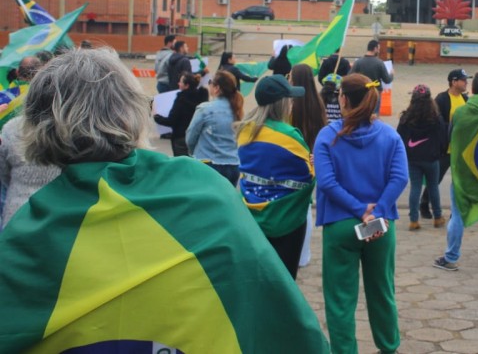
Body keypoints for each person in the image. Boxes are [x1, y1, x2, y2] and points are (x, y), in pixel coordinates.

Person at [0, 48, 329, 353]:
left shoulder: (20, 242)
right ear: (131, 114)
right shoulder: (204, 192)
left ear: (40, 125)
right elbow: (279, 313)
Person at [313, 73, 408, 354]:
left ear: (343, 98)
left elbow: (327, 182)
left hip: (340, 224)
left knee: (340, 298)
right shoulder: (390, 135)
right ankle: (388, 347)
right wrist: (375, 212)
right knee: (382, 291)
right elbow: (399, 177)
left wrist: (358, 210)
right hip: (379, 226)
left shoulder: (328, 135)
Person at [237, 75, 314, 280]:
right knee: (285, 280)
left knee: (260, 277)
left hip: (253, 216)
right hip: (288, 219)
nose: (292, 104)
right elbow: (308, 175)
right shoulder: (289, 135)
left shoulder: (245, 131)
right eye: (289, 99)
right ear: (281, 103)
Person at [433, 71, 478, 271]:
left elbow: (451, 137)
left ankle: (451, 257)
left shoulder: (462, 112)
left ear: (473, 90)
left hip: (463, 171)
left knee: (457, 213)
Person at [0, 58, 60, 228]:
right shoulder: (75, 130)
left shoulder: (6, 101)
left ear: (18, 72)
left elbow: (4, 179)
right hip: (55, 223)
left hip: (14, 222)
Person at [289, 63, 328, 269]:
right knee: (306, 207)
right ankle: (304, 255)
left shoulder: (290, 105)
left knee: (296, 207)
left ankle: (296, 254)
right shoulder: (317, 103)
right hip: (313, 159)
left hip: (293, 159)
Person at [420, 68, 470, 219]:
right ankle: (424, 203)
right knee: (435, 179)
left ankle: (456, 211)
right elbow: (434, 121)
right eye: (463, 80)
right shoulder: (441, 99)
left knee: (459, 182)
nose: (466, 83)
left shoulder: (466, 100)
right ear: (454, 82)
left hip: (460, 148)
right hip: (444, 149)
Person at [397, 84, 448, 230]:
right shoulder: (436, 118)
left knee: (415, 188)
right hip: (432, 158)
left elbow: (399, 138)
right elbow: (442, 138)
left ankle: (414, 220)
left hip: (412, 159)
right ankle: (437, 217)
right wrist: (440, 152)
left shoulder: (406, 118)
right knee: (433, 187)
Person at [186, 70, 243, 185]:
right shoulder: (237, 110)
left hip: (209, 164)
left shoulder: (205, 109)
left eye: (210, 82)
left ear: (217, 88)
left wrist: (194, 153)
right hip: (233, 165)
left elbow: (190, 137)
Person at [153, 72, 209, 156]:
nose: (178, 83)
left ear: (186, 85)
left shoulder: (181, 99)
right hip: (197, 136)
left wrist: (156, 117)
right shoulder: (202, 97)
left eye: (181, 82)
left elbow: (171, 120)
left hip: (181, 136)